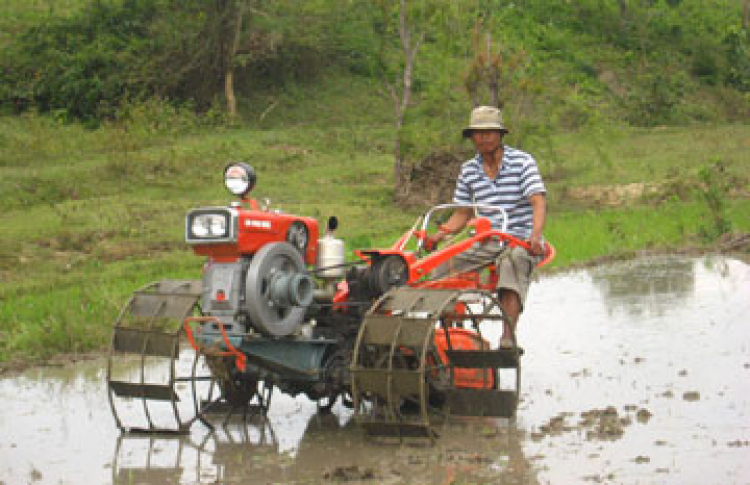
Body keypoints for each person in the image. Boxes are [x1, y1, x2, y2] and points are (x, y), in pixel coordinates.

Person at [425, 106, 547, 349]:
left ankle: (508, 336)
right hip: (486, 240)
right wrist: (439, 235)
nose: (483, 138)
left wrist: (535, 236)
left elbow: (538, 202)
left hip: (519, 238)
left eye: (489, 132)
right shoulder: (469, 169)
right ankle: (447, 336)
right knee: (440, 267)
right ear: (471, 138)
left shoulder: (522, 162)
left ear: (500, 135)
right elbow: (463, 212)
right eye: (478, 133)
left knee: (510, 264)